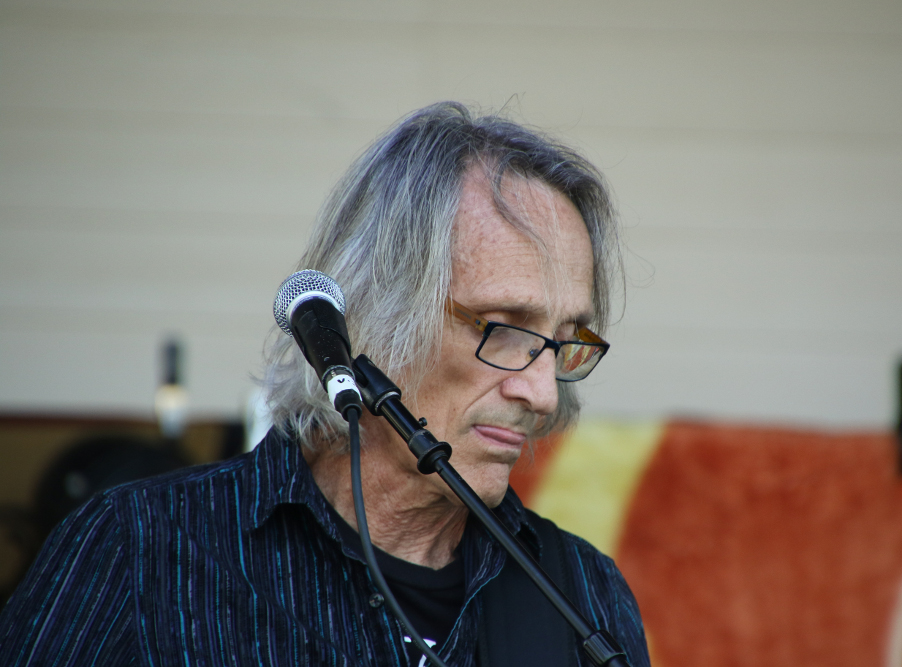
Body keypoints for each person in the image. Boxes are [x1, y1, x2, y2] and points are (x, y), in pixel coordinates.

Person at [0, 102, 650, 666]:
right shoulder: (140, 550)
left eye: (564, 341)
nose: (543, 395)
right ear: (371, 315)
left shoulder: (582, 596)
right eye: (503, 327)